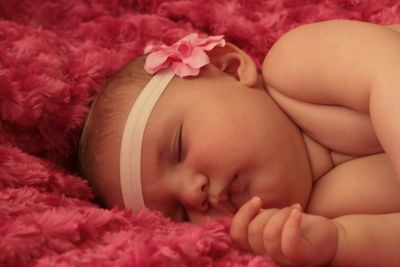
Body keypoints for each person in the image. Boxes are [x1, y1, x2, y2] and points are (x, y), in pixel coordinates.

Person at [79, 19, 400, 266]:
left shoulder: (293, 68)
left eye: (179, 149)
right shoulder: (322, 217)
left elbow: (387, 66)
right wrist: (338, 244)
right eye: (181, 214)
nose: (195, 194)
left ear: (231, 68)